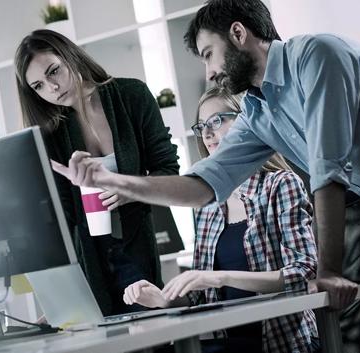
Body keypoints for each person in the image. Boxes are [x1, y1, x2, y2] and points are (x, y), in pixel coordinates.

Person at [52, 0, 360, 322]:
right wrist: (116, 181)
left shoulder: (317, 55)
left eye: (208, 55)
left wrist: (329, 271)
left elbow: (327, 168)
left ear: (238, 34)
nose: (210, 73)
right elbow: (202, 187)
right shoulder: (258, 111)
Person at [123, 87, 319, 353]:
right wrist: (163, 299)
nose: (207, 133)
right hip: (224, 344)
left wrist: (220, 277)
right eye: (202, 126)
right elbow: (200, 297)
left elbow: (303, 272)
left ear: (246, 120)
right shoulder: (206, 203)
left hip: (282, 341)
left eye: (218, 120)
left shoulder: (281, 185)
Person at [14, 29, 180, 315]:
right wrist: (60, 295)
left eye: (54, 71)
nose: (52, 88)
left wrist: (128, 189)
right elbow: (62, 215)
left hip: (136, 247)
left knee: (151, 334)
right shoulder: (51, 133)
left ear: (70, 56)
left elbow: (169, 171)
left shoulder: (132, 96)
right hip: (89, 260)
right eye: (38, 86)